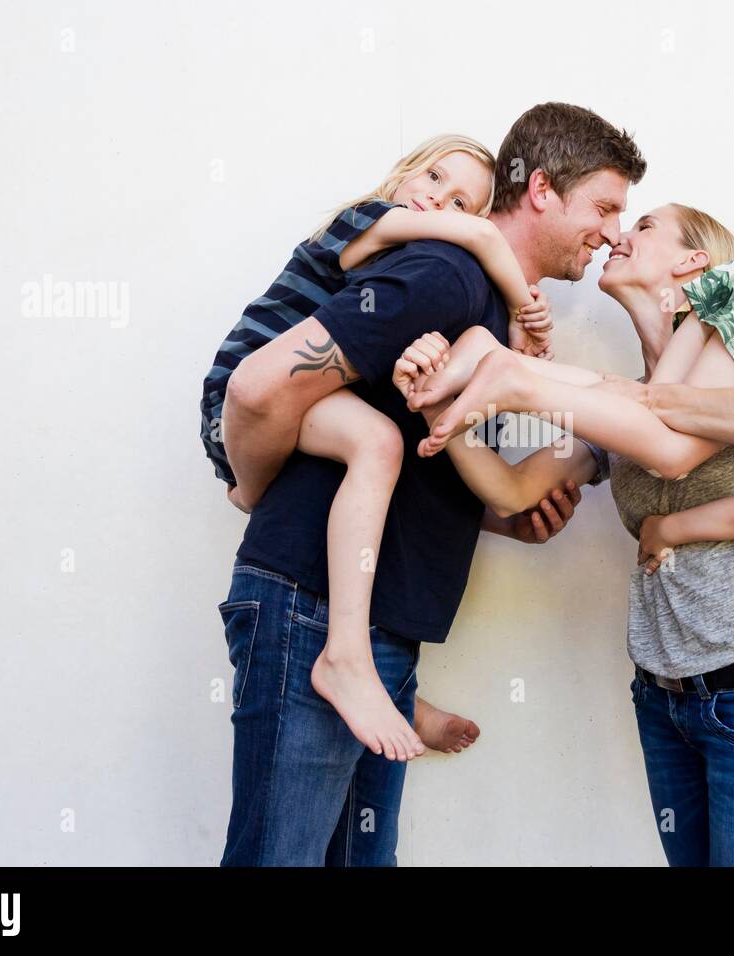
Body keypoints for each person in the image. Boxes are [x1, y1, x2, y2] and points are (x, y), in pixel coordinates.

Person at [398, 203, 734, 864]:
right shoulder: (619, 404)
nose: (619, 235)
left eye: (644, 227)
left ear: (694, 264)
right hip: (664, 700)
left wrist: (666, 515)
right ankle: (504, 376)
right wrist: (438, 409)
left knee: (662, 437)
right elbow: (510, 490)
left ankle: (511, 378)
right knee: (642, 414)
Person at [215, 102, 647, 866]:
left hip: (378, 633)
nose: (615, 230)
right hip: (313, 614)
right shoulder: (443, 275)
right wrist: (250, 486)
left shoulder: (484, 309)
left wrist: (496, 516)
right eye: (607, 207)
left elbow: (418, 450)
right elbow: (253, 391)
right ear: (543, 189)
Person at [199, 134, 554, 761]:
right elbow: (483, 239)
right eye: (435, 177)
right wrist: (525, 305)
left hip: (297, 408)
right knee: (377, 439)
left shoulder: (413, 257)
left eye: (459, 201)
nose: (437, 201)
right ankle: (344, 657)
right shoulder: (364, 219)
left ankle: (391, 688)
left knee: (385, 437)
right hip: (236, 395)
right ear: (404, 172)